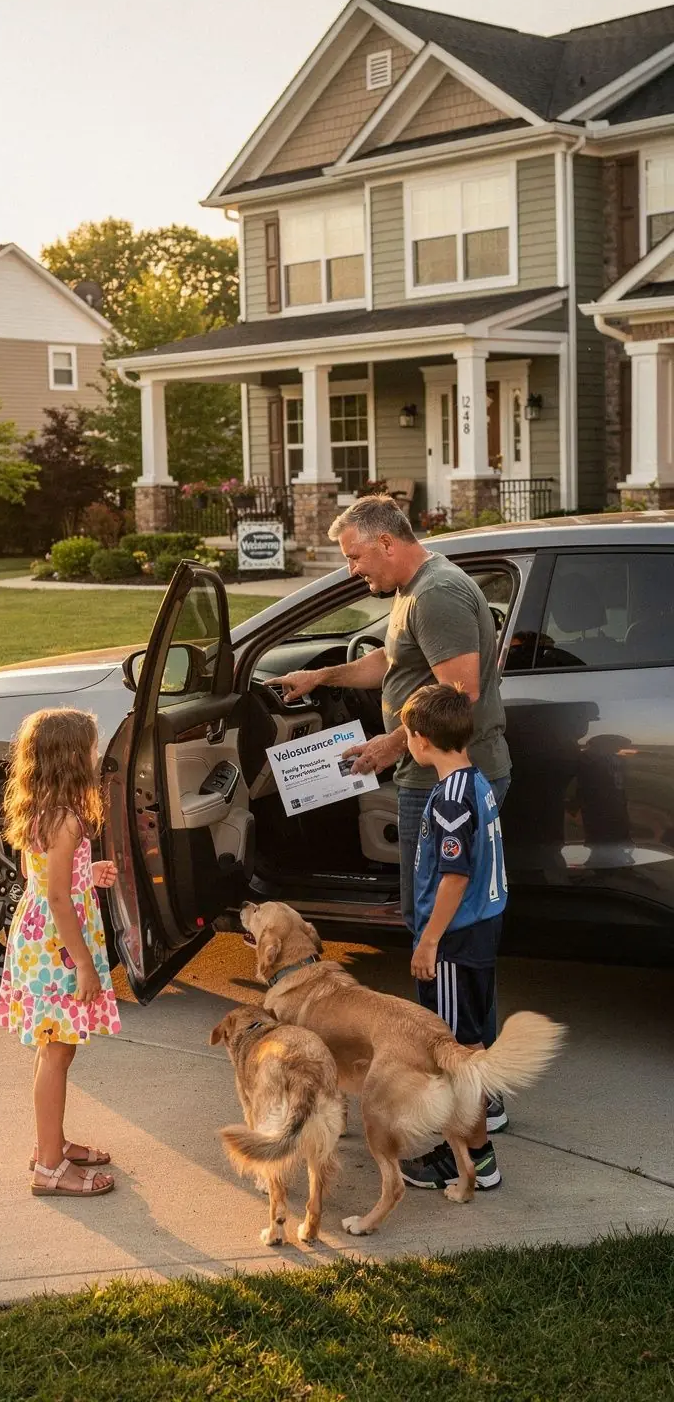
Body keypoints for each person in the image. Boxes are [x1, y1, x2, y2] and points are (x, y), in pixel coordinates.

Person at [275, 494, 511, 1129]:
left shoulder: (437, 594)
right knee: (441, 927)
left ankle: (466, 1092)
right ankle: (474, 1084)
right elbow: (390, 663)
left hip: (438, 780)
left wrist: (386, 746)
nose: (352, 570)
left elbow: (458, 697)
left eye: (354, 557)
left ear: (386, 541)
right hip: (421, 771)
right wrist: (319, 679)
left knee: (442, 933)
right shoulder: (411, 593)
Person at [0, 707, 122, 1198]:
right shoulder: (66, 819)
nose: (97, 755)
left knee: (53, 1049)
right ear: (72, 757)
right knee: (57, 1052)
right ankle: (49, 1168)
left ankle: (52, 1143)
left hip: (41, 943)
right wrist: (86, 965)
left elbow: (47, 879)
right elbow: (57, 898)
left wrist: (88, 874)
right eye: (92, 747)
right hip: (59, 952)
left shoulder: (42, 810)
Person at [397, 682, 507, 1189]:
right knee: (472, 1043)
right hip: (479, 935)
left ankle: (472, 1158)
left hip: (454, 945)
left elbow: (455, 876)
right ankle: (484, 1122)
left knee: (451, 1053)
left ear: (420, 740)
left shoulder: (449, 801)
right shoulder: (476, 783)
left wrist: (428, 940)